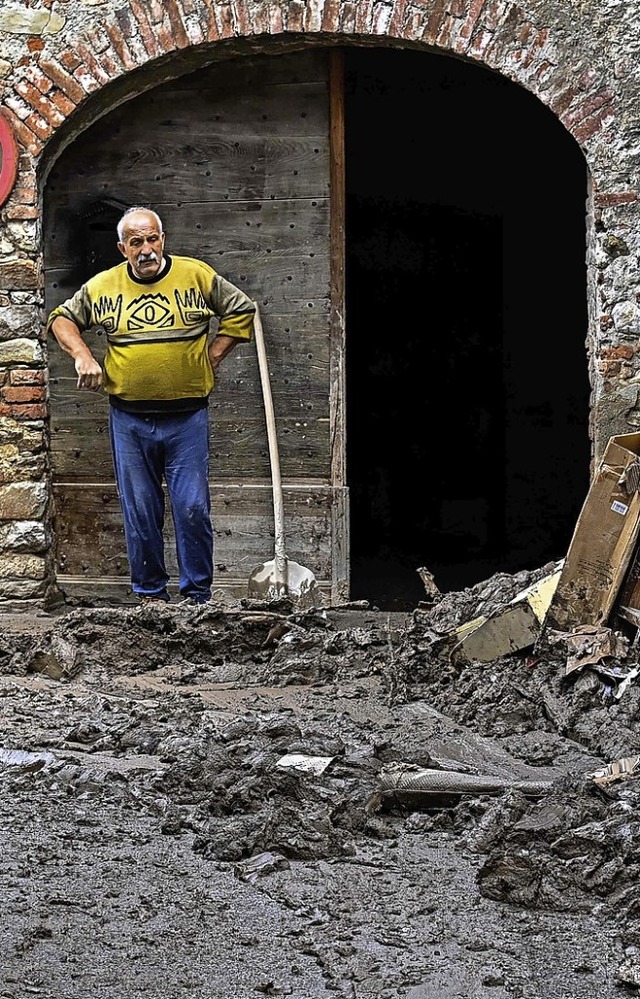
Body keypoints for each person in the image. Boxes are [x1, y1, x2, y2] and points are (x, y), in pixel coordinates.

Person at [47, 206, 255, 606]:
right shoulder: (104, 286)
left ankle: (197, 598)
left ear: (164, 239)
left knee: (192, 508)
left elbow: (242, 309)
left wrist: (212, 356)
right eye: (137, 242)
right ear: (122, 247)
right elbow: (61, 318)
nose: (147, 249)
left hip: (187, 417)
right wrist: (83, 356)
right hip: (129, 418)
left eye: (153, 238)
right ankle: (151, 599)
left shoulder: (196, 276)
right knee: (141, 510)